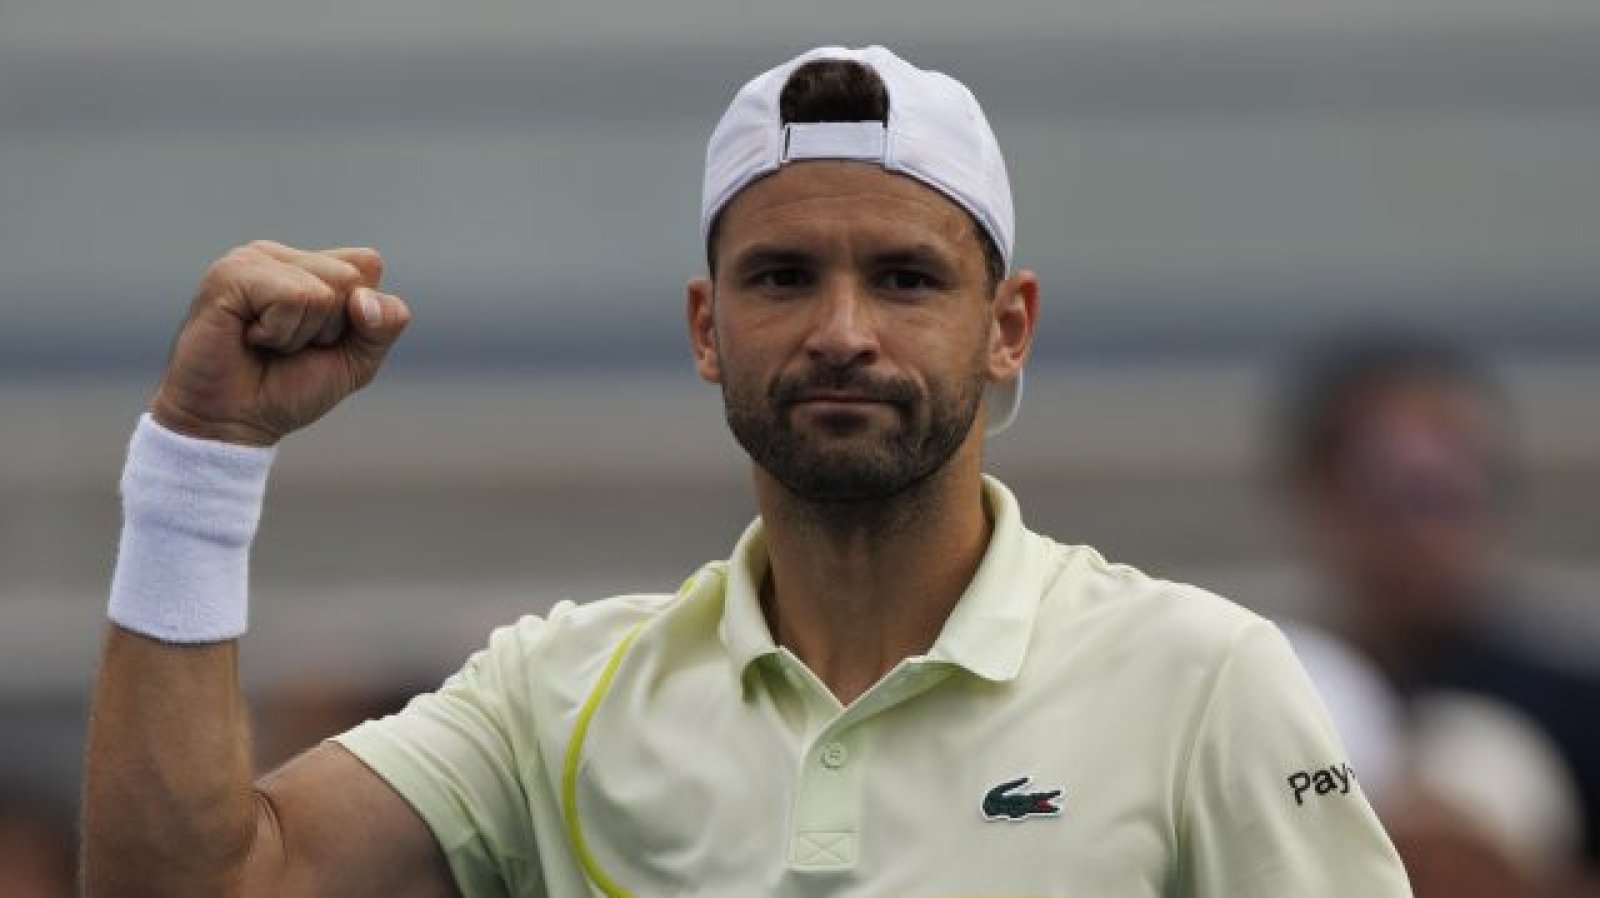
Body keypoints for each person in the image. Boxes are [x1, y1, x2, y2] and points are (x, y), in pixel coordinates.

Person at [81, 46, 1411, 897]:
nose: (842, 330)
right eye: (782, 276)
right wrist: (200, 460)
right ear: (707, 327)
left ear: (1007, 326)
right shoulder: (557, 695)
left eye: (905, 277)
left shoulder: (1204, 677)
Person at [1277, 328, 1600, 886]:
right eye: (1393, 497)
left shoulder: (1579, 713)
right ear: (1320, 500)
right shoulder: (1269, 699)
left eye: (1449, 495)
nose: (1423, 534)